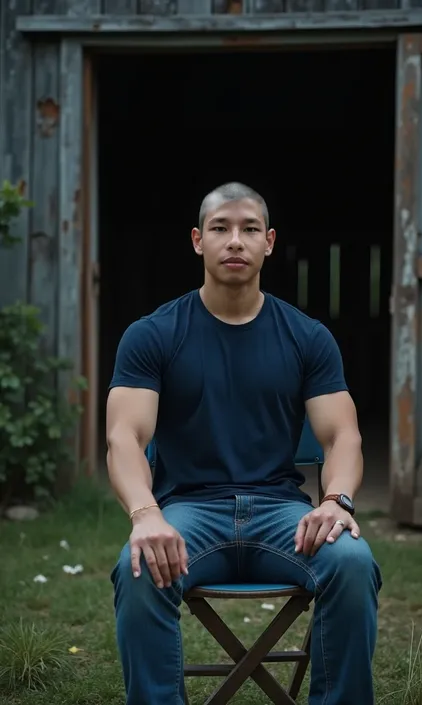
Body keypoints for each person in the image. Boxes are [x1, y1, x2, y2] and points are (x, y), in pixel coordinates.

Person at [106, 182, 382, 705]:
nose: (236, 240)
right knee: (137, 568)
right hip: (187, 514)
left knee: (352, 561)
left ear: (269, 242)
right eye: (221, 229)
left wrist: (336, 500)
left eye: (249, 229)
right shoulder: (153, 334)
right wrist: (146, 514)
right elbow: (124, 435)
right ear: (197, 241)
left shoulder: (307, 337)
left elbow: (342, 435)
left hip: (283, 516)